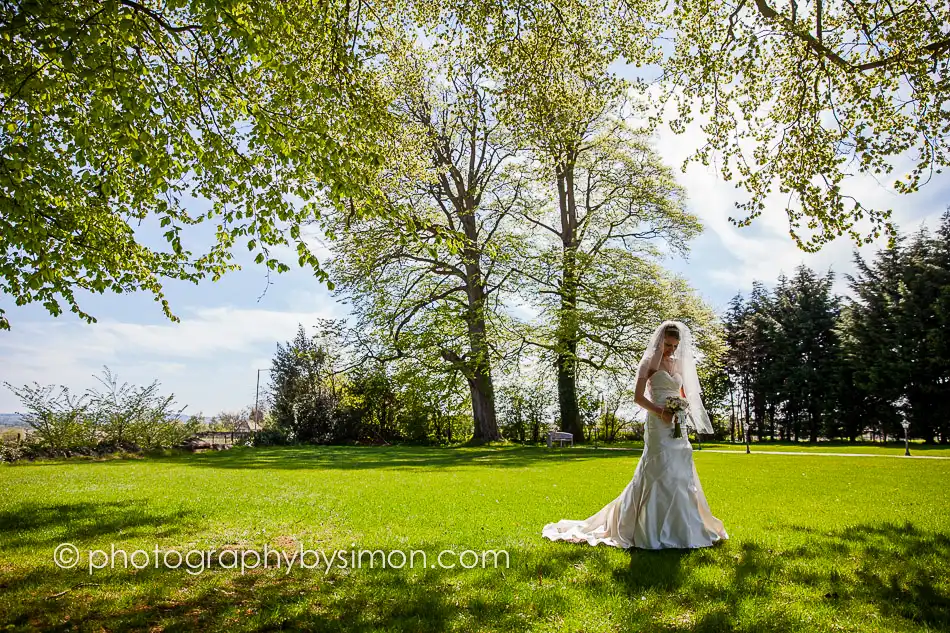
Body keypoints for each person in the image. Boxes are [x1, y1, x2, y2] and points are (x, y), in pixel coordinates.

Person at [541, 320, 727, 549]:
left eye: (675, 346)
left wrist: (680, 408)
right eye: (668, 345)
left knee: (680, 473)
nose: (671, 350)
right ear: (659, 341)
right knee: (657, 470)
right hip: (657, 424)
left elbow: (681, 394)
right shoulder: (648, 363)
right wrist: (661, 412)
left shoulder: (678, 365)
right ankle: (647, 526)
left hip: (677, 424)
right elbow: (638, 398)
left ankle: (682, 527)